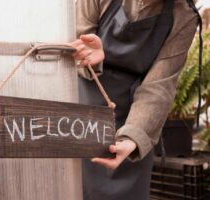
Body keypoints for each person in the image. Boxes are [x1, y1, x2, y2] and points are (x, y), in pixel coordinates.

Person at [70, 0, 200, 199]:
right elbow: (71, 47)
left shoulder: (183, 15)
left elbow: (160, 84)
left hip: (136, 118)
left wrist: (132, 137)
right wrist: (86, 55)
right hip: (82, 117)